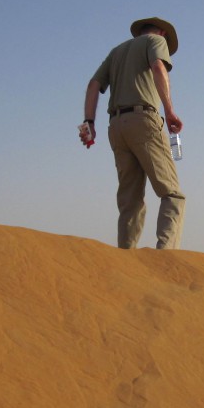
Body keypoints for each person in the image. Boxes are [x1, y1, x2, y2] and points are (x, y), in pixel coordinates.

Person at [83, 17, 185, 249]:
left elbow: (93, 85)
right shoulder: (156, 41)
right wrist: (169, 111)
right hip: (143, 119)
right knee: (172, 194)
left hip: (116, 126)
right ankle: (166, 257)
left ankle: (125, 258)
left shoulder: (117, 51)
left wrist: (89, 122)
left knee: (130, 201)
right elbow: (159, 67)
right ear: (162, 33)